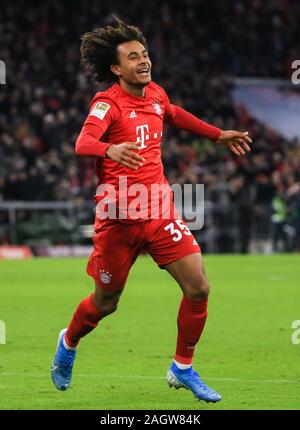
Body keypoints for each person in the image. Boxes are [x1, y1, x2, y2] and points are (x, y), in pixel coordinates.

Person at [51, 17, 252, 403]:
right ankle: (69, 340)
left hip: (159, 211)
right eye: (132, 57)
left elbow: (172, 113)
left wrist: (217, 134)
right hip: (118, 218)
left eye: (144, 54)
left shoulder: (156, 94)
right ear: (115, 68)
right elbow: (83, 142)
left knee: (199, 287)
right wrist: (109, 149)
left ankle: (182, 368)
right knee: (105, 304)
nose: (143, 61)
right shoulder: (107, 103)